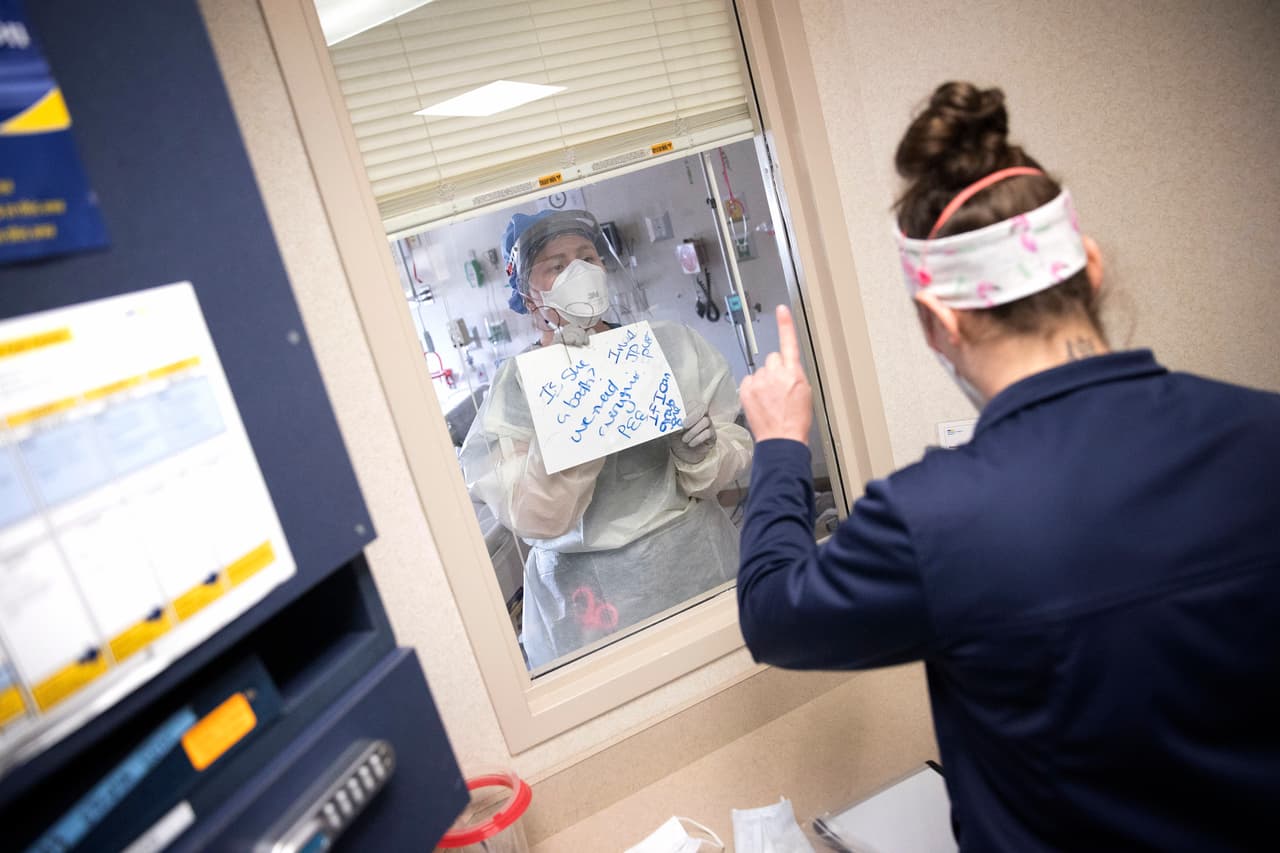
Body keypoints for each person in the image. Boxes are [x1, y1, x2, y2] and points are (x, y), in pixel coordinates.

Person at [735, 82, 1280, 850]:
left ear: (940, 321)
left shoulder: (933, 520)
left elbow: (772, 613)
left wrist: (782, 442)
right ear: (1089, 266)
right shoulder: (1264, 432)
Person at [461, 208, 752, 670]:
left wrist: (703, 454)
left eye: (587, 258)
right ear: (527, 293)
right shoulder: (516, 388)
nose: (578, 272)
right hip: (586, 601)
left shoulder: (666, 348)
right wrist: (568, 426)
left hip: (693, 565)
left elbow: (734, 449)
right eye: (556, 265)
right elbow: (531, 515)